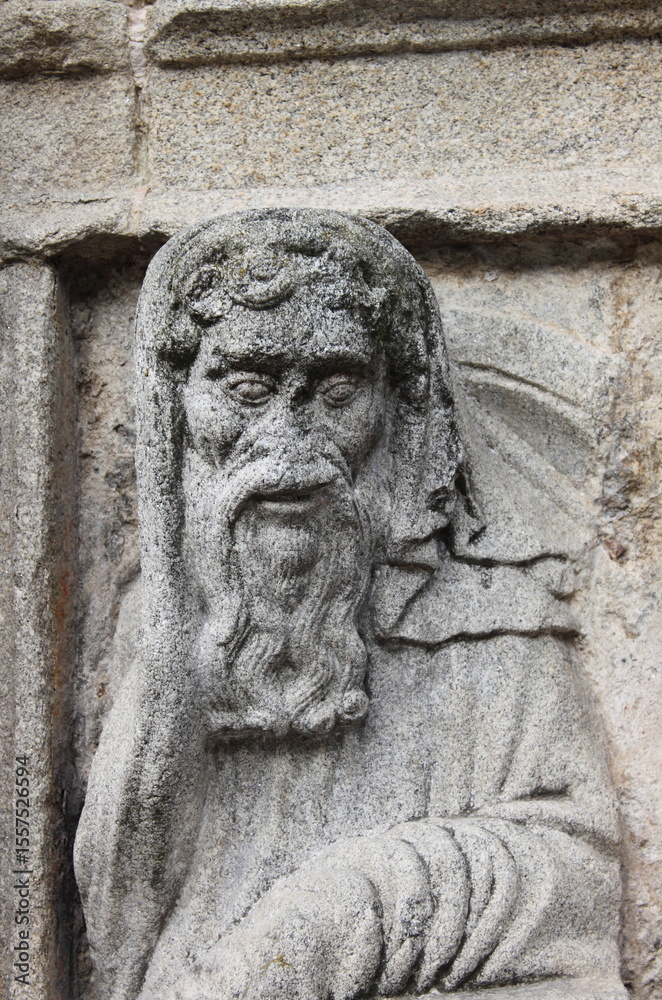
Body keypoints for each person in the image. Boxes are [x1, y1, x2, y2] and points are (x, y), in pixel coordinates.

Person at [74, 209, 624, 1000]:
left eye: (337, 390)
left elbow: (577, 874)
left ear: (397, 408)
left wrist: (333, 919)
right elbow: (119, 928)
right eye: (247, 388)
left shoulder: (490, 611)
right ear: (179, 404)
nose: (288, 437)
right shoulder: (158, 619)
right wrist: (171, 663)